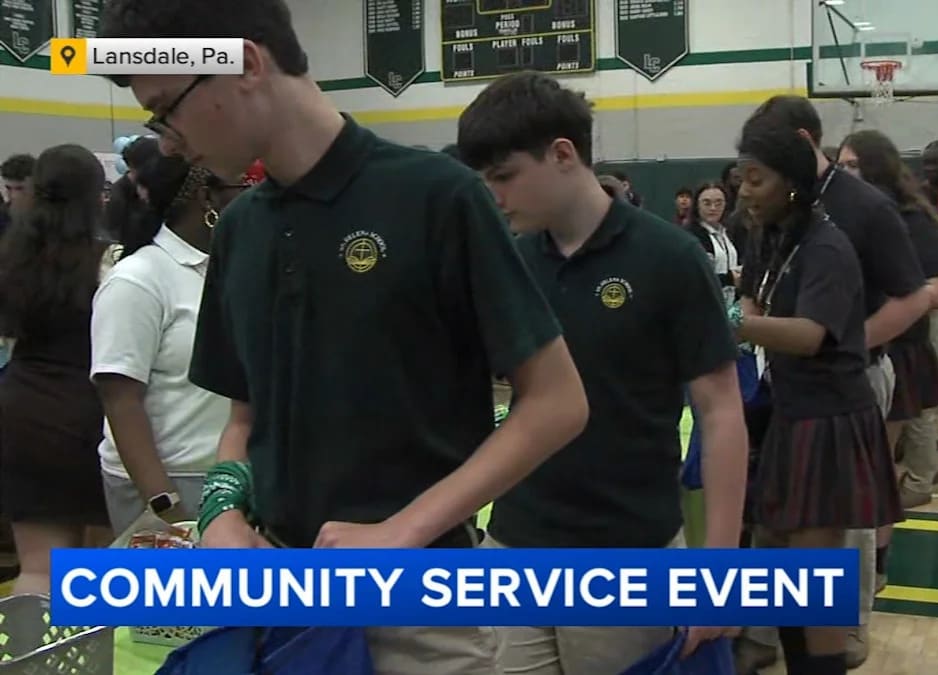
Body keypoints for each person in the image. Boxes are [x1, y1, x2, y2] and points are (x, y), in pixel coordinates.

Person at [99, 2, 589, 672]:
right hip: (279, 606)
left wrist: (402, 531)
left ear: (244, 64)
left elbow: (557, 402)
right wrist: (220, 512)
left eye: (167, 109)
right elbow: (244, 417)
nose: (167, 141)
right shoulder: (240, 229)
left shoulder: (435, 198)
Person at [457, 71, 748, 674]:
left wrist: (719, 568)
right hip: (514, 545)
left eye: (505, 176)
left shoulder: (669, 257)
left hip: (627, 549)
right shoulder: (509, 262)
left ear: (563, 154)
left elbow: (720, 413)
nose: (496, 195)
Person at [750, 96, 929, 668]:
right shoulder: (779, 224)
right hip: (789, 394)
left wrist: (846, 340)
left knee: (831, 555)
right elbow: (760, 293)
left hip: (842, 391)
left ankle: (839, 646)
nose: (745, 189)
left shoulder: (858, 215)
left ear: (798, 151)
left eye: (756, 175)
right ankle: (796, 648)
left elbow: (912, 297)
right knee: (788, 556)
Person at [91, 151, 247, 534]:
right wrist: (166, 505)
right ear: (206, 198)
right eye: (242, 188)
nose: (252, 198)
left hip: (229, 474)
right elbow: (119, 399)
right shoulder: (138, 280)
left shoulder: (227, 266)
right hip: (168, 482)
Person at [0, 144, 112, 594]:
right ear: (96, 195)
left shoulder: (11, 258)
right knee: (98, 570)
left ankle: (31, 662)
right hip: (90, 413)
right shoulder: (111, 262)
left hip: (21, 409)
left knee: (38, 569)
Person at [838, 130, 938, 510]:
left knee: (900, 429)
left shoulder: (911, 219)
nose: (845, 173)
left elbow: (936, 291)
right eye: (840, 166)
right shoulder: (841, 218)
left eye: (854, 165)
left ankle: (916, 484)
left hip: (900, 342)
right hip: (868, 347)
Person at [687, 181, 741, 288]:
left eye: (719, 203)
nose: (713, 208)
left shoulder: (728, 232)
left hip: (730, 300)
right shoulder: (691, 236)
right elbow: (693, 277)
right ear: (697, 205)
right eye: (707, 203)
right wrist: (729, 278)